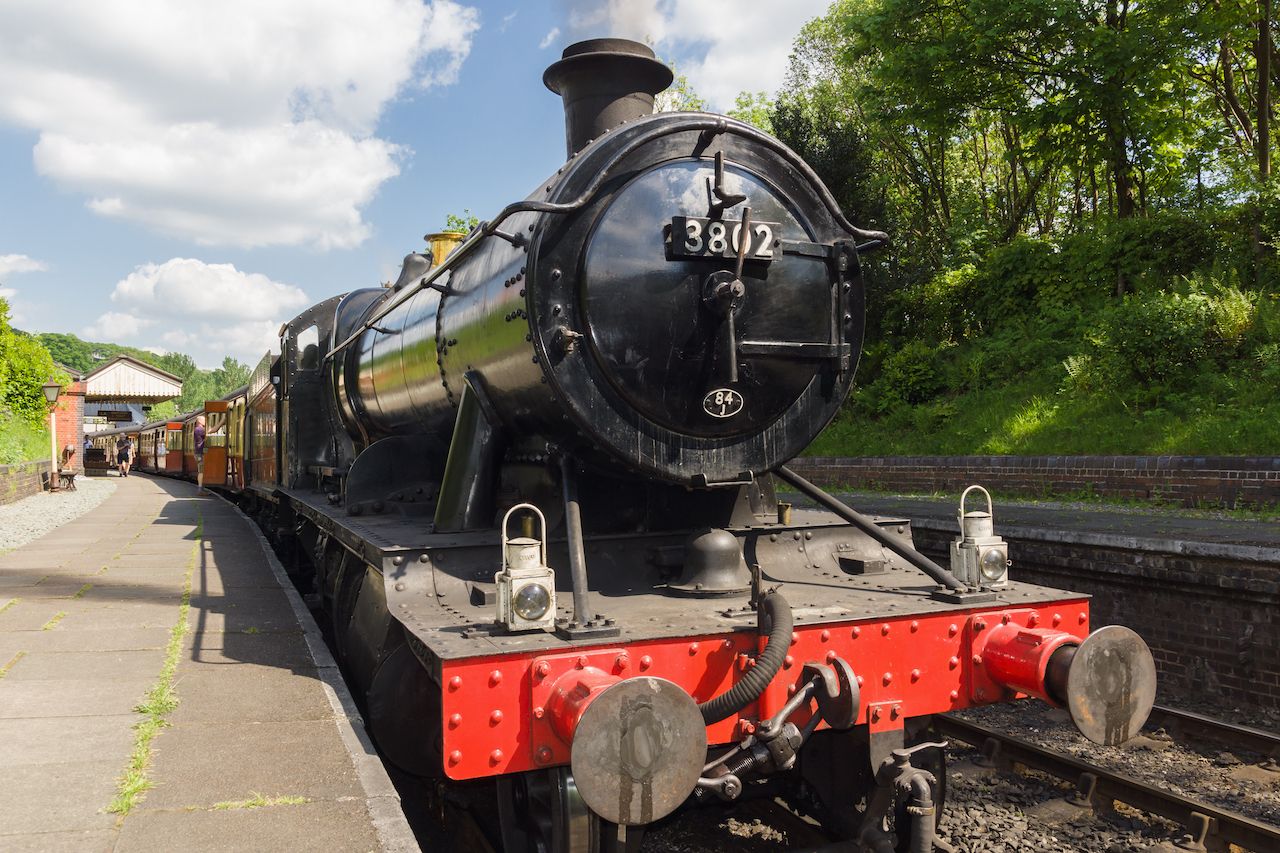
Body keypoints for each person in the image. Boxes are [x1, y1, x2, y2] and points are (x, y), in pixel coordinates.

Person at [194, 415, 207, 494]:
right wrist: (221, 422)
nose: (205, 422)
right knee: (201, 471)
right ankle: (200, 489)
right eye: (204, 420)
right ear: (200, 421)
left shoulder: (197, 429)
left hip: (198, 453)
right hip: (199, 453)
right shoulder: (199, 429)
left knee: (201, 471)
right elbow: (211, 431)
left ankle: (201, 488)